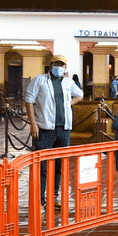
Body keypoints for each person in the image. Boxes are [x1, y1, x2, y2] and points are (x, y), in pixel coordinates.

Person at [24, 54, 84, 208]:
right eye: (56, 64)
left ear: (65, 68)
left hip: (63, 129)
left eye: (62, 65)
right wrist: (33, 124)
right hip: (44, 129)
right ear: (50, 65)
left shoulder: (68, 82)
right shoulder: (39, 80)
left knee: (59, 165)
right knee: (42, 165)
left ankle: (54, 195)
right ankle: (40, 198)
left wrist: (69, 103)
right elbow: (29, 101)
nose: (59, 67)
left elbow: (80, 95)